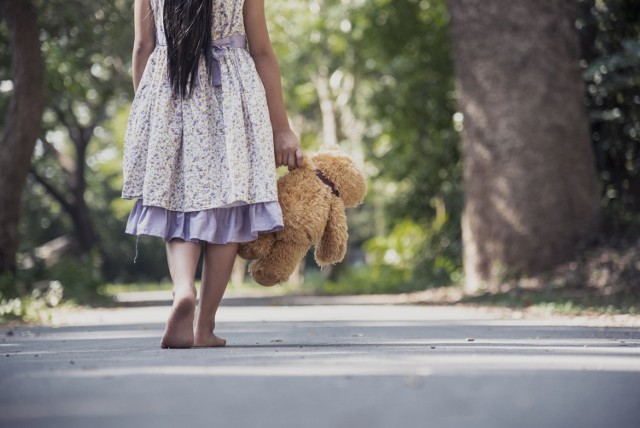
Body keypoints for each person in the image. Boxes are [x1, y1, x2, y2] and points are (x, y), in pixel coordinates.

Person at [122, 0, 304, 348]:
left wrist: (147, 108)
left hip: (170, 88)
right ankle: (203, 328)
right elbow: (262, 51)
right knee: (230, 207)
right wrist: (281, 128)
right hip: (233, 94)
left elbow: (143, 46)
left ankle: (183, 290)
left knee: (176, 201)